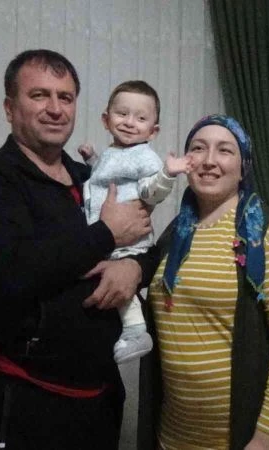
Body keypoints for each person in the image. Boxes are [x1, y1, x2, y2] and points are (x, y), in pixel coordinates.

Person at [0, 49, 153, 449]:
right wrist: (106, 234)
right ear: (10, 108)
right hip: (27, 396)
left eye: (65, 97)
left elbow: (143, 237)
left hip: (100, 395)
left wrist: (135, 268)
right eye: (39, 95)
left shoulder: (92, 177)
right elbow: (11, 273)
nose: (55, 109)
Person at [137, 115, 269, 450]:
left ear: (243, 168)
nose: (209, 160)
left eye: (224, 150)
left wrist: (265, 441)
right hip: (172, 437)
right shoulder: (176, 232)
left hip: (241, 441)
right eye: (198, 148)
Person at [77, 80, 192, 364]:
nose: (130, 122)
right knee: (99, 281)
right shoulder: (114, 152)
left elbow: (151, 193)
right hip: (101, 233)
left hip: (126, 239)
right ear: (106, 120)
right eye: (122, 114)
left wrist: (168, 174)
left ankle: (136, 331)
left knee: (120, 287)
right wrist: (92, 159)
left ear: (153, 131)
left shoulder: (144, 157)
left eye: (141, 118)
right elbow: (104, 176)